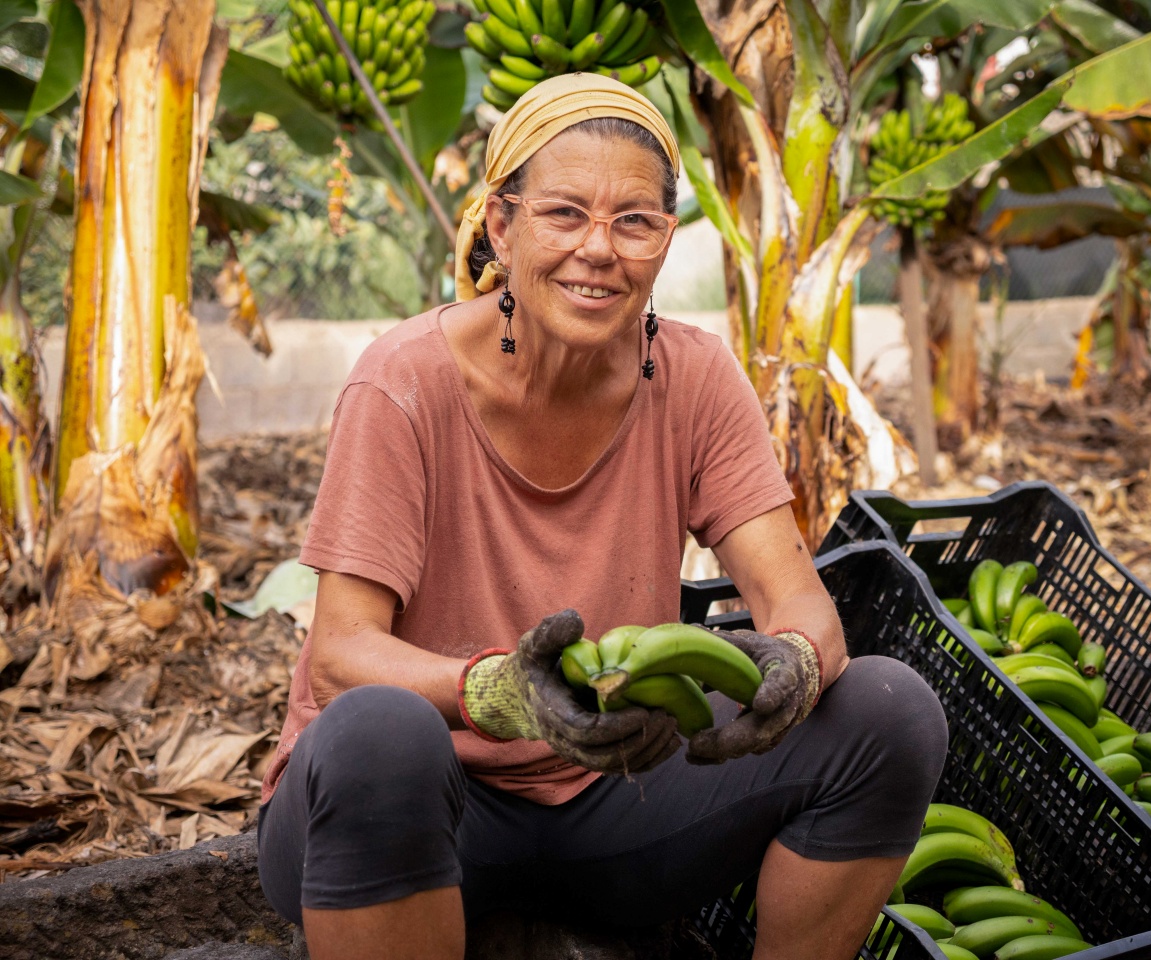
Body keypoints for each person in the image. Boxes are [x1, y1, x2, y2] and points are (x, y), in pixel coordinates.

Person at [256, 73, 948, 960]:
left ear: (664, 241)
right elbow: (342, 657)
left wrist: (796, 670)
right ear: (502, 228)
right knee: (379, 731)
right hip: (412, 818)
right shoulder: (404, 383)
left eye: (635, 221)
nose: (599, 249)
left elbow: (802, 606)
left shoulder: (694, 378)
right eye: (563, 214)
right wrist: (499, 692)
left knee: (891, 711)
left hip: (614, 808)